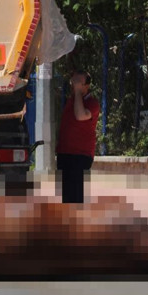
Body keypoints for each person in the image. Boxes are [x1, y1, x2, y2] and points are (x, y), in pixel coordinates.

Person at [56, 70, 100, 203]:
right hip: (65, 154)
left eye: (79, 83)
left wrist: (77, 93)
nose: (74, 85)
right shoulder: (71, 101)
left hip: (81, 156)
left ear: (86, 86)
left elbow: (80, 116)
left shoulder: (92, 103)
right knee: (66, 196)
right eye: (73, 82)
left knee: (77, 194)